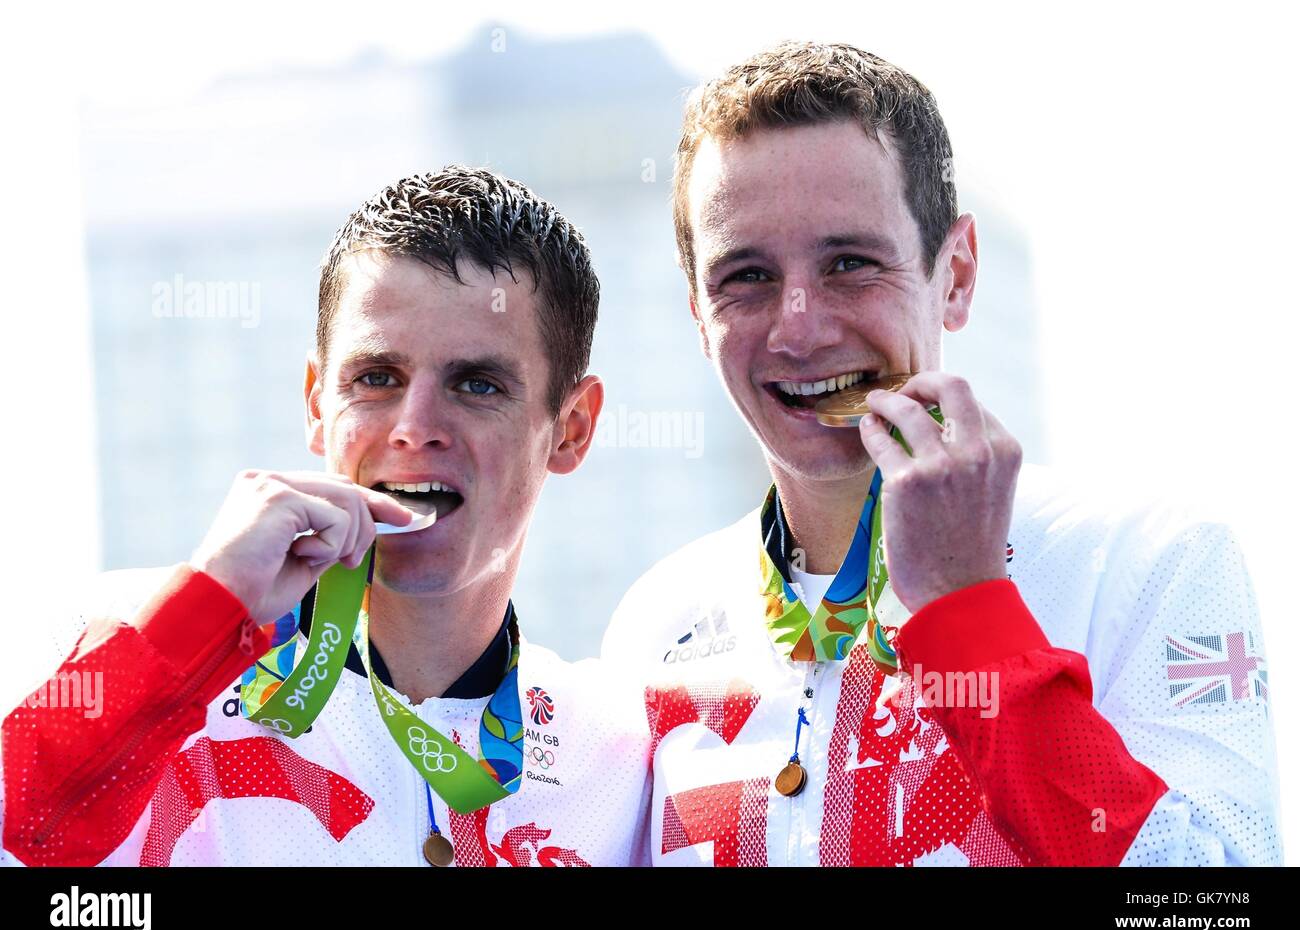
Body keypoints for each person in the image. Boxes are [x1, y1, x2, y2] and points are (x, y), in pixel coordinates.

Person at [600, 42, 1281, 866]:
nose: (799, 328)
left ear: (955, 276)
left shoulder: (1150, 559)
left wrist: (969, 612)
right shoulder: (656, 621)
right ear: (698, 315)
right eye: (746, 276)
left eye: (850, 263)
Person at [1, 167, 651, 867]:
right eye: (377, 378)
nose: (415, 427)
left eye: (477, 384)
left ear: (573, 428)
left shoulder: (620, 751)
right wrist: (202, 616)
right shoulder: (126, 650)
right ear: (317, 403)